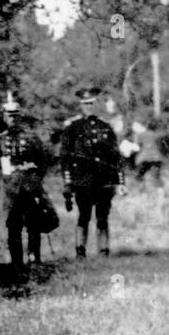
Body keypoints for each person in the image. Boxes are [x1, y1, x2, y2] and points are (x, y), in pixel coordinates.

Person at [59, 87, 124, 259]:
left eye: (92, 103)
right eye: (86, 104)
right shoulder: (73, 128)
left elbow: (115, 157)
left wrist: (120, 182)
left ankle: (103, 251)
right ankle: (80, 251)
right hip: (82, 180)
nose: (89, 107)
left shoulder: (106, 128)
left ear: (97, 105)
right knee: (84, 216)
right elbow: (65, 157)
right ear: (81, 106)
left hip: (104, 180)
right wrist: (68, 182)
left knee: (102, 217)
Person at [0, 92, 52, 273]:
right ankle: (16, 261)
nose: (13, 119)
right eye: (9, 116)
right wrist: (10, 182)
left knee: (33, 224)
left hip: (30, 187)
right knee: (13, 225)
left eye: (16, 115)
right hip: (11, 189)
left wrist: (34, 180)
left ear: (20, 117)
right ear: (4, 117)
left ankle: (35, 258)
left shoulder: (32, 138)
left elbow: (43, 162)